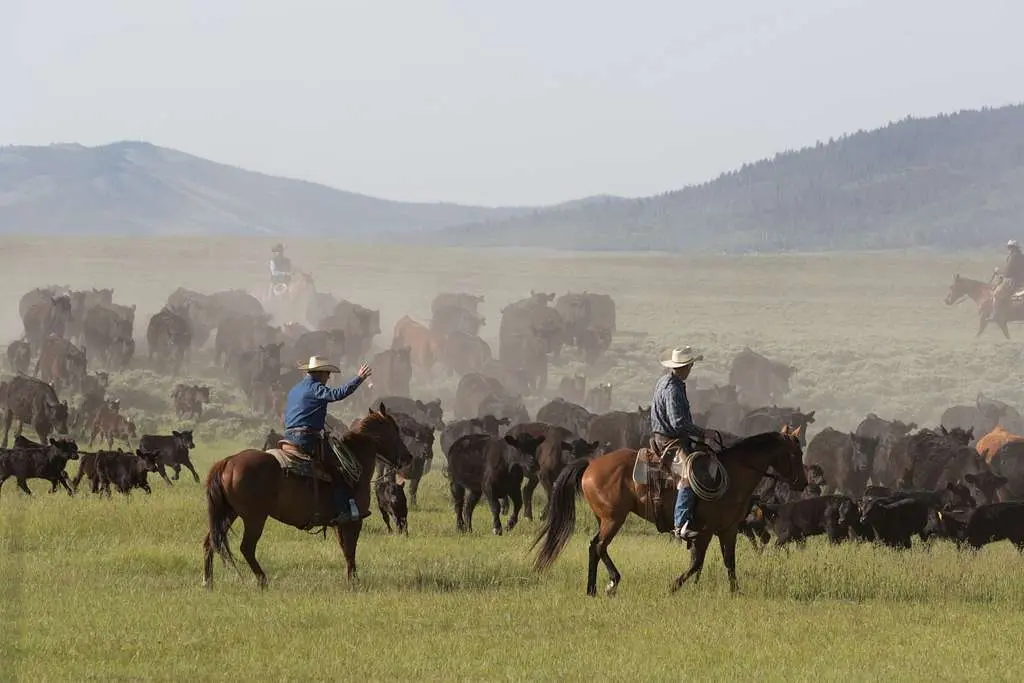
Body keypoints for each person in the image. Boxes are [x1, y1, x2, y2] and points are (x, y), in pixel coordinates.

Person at [282, 355, 373, 525]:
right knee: (340, 467)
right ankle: (343, 510)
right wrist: (359, 378)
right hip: (306, 439)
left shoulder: (295, 389)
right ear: (320, 373)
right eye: (327, 374)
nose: (329, 377)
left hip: (288, 437)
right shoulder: (316, 388)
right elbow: (337, 394)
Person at [650, 346, 706, 542]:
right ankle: (680, 525)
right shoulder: (673, 388)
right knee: (688, 476)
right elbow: (677, 422)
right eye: (689, 366)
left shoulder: (664, 381)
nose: (690, 370)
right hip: (670, 441)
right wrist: (700, 432)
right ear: (683, 367)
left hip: (664, 436)